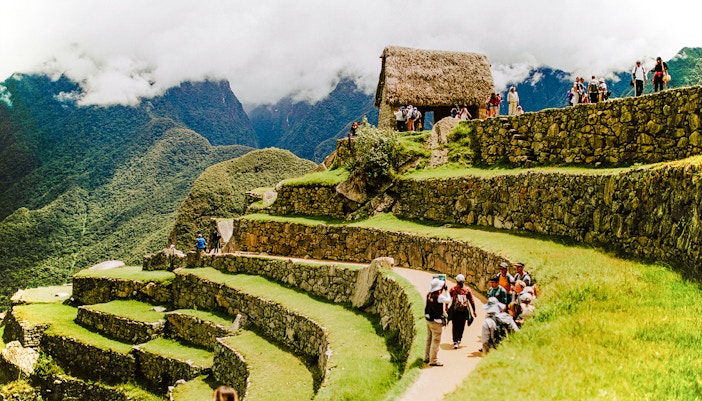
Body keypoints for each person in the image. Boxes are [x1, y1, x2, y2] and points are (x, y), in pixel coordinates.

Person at [424, 277, 451, 366]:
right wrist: (446, 291)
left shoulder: (429, 295)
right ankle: (433, 360)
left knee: (429, 339)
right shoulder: (439, 297)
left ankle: (426, 357)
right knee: (435, 341)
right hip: (436, 322)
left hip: (429, 320)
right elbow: (448, 300)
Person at [448, 274, 477, 349]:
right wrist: (474, 310)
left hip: (455, 311)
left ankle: (455, 340)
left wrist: (446, 307)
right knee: (461, 325)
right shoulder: (467, 290)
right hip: (463, 311)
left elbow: (448, 298)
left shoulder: (453, 289)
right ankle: (459, 338)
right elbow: (471, 301)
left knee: (455, 325)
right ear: (464, 281)